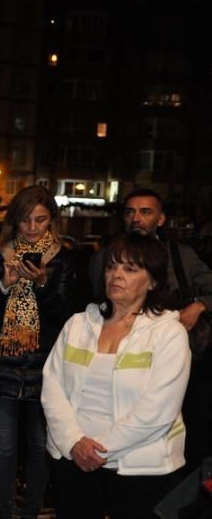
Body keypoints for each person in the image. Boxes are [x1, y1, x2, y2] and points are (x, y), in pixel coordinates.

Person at [40, 232, 189, 519]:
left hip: (140, 467)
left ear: (153, 280)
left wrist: (97, 447)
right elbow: (52, 387)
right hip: (75, 459)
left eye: (130, 267)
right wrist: (74, 441)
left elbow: (157, 410)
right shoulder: (79, 324)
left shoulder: (167, 333)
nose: (116, 275)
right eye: (112, 265)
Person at [0, 186, 75, 519]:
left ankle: (28, 516)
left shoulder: (62, 259)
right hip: (1, 365)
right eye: (25, 219)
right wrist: (4, 284)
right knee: (0, 448)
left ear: (52, 220)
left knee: (39, 448)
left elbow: (66, 314)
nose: (31, 228)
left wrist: (44, 283)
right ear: (13, 220)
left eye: (40, 220)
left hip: (46, 365)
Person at [89, 189, 212, 469]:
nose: (137, 218)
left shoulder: (181, 257)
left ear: (160, 219)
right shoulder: (104, 259)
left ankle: (180, 509)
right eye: (130, 212)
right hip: (128, 367)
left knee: (191, 443)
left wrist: (199, 306)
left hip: (186, 366)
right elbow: (98, 307)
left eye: (146, 212)